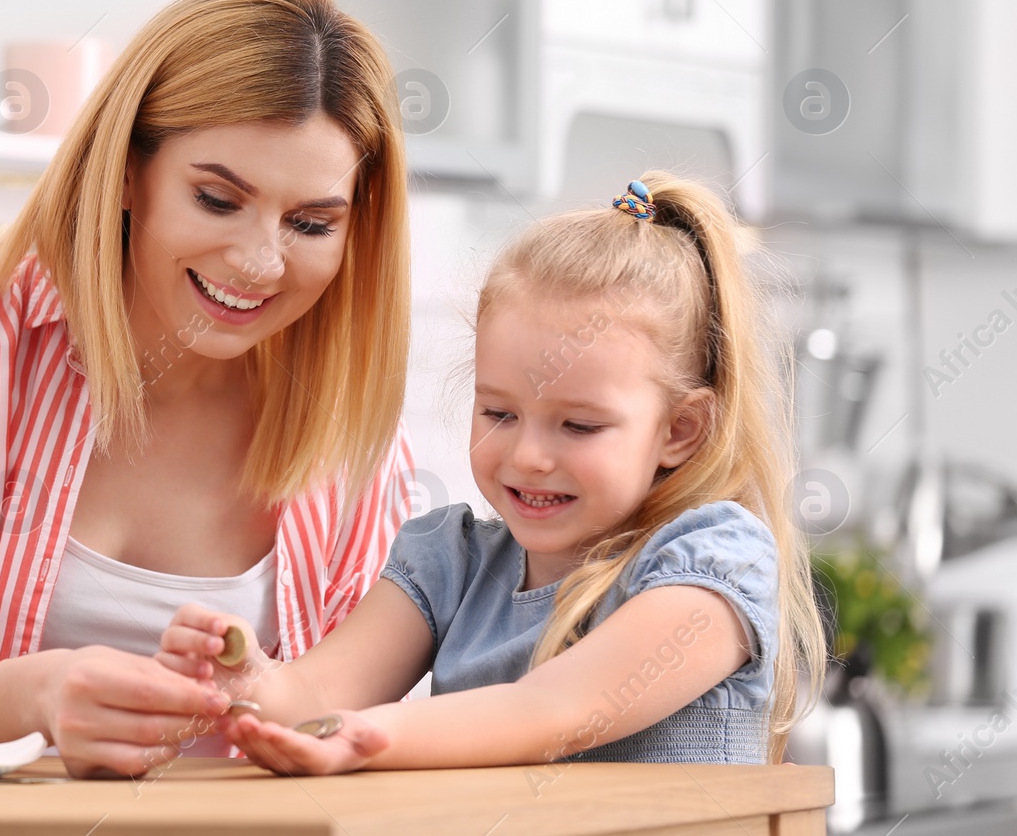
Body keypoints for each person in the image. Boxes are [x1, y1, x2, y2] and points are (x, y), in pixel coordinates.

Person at [0, 0, 416, 778]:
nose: (259, 261)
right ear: (124, 172)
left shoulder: (349, 416)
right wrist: (41, 693)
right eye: (217, 199)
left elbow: (342, 715)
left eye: (311, 223)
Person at [157, 173, 826, 773]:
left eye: (579, 425)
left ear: (680, 429)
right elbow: (316, 697)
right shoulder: (449, 562)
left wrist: (363, 737)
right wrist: (249, 677)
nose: (528, 455)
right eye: (500, 412)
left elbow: (553, 710)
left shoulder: (713, 564)